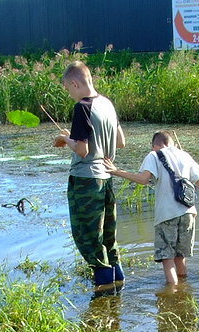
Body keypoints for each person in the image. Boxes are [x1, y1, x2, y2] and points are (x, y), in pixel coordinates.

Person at [53, 61, 127, 291]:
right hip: (107, 176)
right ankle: (118, 286)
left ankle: (104, 296)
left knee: (88, 237)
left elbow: (83, 150)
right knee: (107, 237)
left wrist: (65, 139)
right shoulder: (107, 104)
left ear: (75, 83)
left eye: (68, 89)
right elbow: (121, 142)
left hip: (86, 180)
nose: (70, 94)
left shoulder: (82, 108)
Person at [106, 130, 199, 286]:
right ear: (171, 142)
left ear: (155, 145)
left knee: (168, 259)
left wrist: (116, 171)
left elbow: (143, 179)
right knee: (180, 257)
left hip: (167, 214)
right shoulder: (185, 156)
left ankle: (172, 295)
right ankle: (184, 294)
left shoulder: (154, 155)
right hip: (188, 213)